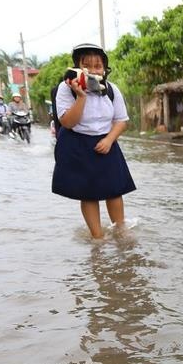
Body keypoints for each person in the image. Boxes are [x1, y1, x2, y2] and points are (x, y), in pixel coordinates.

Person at [51, 43, 136, 239]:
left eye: (97, 65)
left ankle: (120, 233)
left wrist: (109, 140)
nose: (92, 70)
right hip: (77, 143)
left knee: (114, 190)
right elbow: (68, 122)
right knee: (88, 193)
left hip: (107, 142)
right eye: (86, 65)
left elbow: (121, 121)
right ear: (77, 67)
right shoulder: (65, 89)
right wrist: (81, 96)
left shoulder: (112, 89)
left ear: (104, 69)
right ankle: (97, 239)